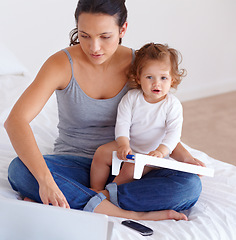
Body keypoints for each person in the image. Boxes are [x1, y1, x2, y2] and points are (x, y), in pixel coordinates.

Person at [5, 0, 204, 221]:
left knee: (189, 186)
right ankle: (131, 214)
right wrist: (45, 182)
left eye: (105, 37)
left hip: (129, 165)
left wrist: (185, 157)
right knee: (20, 170)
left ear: (123, 30)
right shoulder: (61, 64)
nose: (94, 47)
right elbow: (16, 121)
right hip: (76, 165)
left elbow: (157, 120)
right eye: (85, 35)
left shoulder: (141, 67)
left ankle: (83, 200)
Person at [90, 43, 189, 190]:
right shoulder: (131, 98)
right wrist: (123, 145)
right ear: (138, 78)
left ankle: (107, 194)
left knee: (129, 169)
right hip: (131, 145)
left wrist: (161, 151)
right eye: (149, 77)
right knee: (100, 153)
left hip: (152, 153)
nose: (156, 83)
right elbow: (122, 123)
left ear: (172, 80)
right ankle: (95, 189)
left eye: (163, 78)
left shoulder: (172, 105)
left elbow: (173, 134)